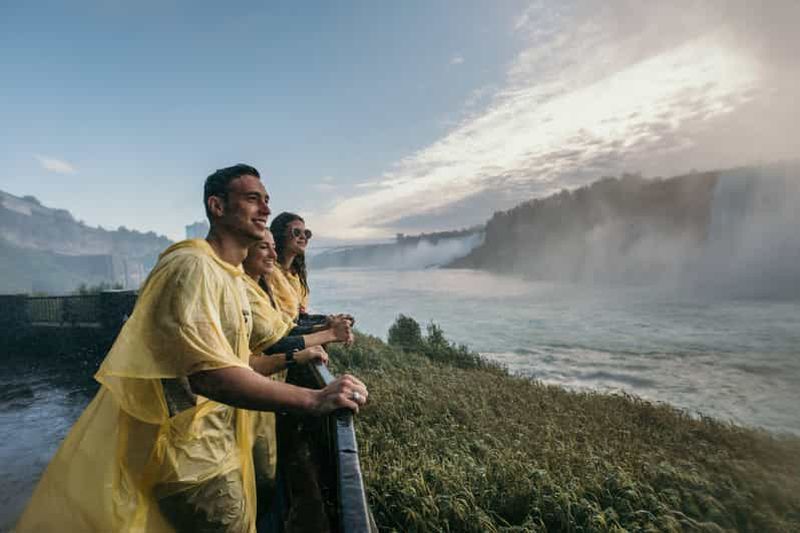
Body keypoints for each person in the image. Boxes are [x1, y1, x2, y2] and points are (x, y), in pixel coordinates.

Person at [16, 164, 368, 533]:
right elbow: (211, 377)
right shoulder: (193, 267)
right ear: (217, 206)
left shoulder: (227, 275)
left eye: (267, 201)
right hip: (192, 457)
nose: (265, 210)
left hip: (218, 445)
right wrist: (314, 399)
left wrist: (300, 356)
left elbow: (239, 361)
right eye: (252, 199)